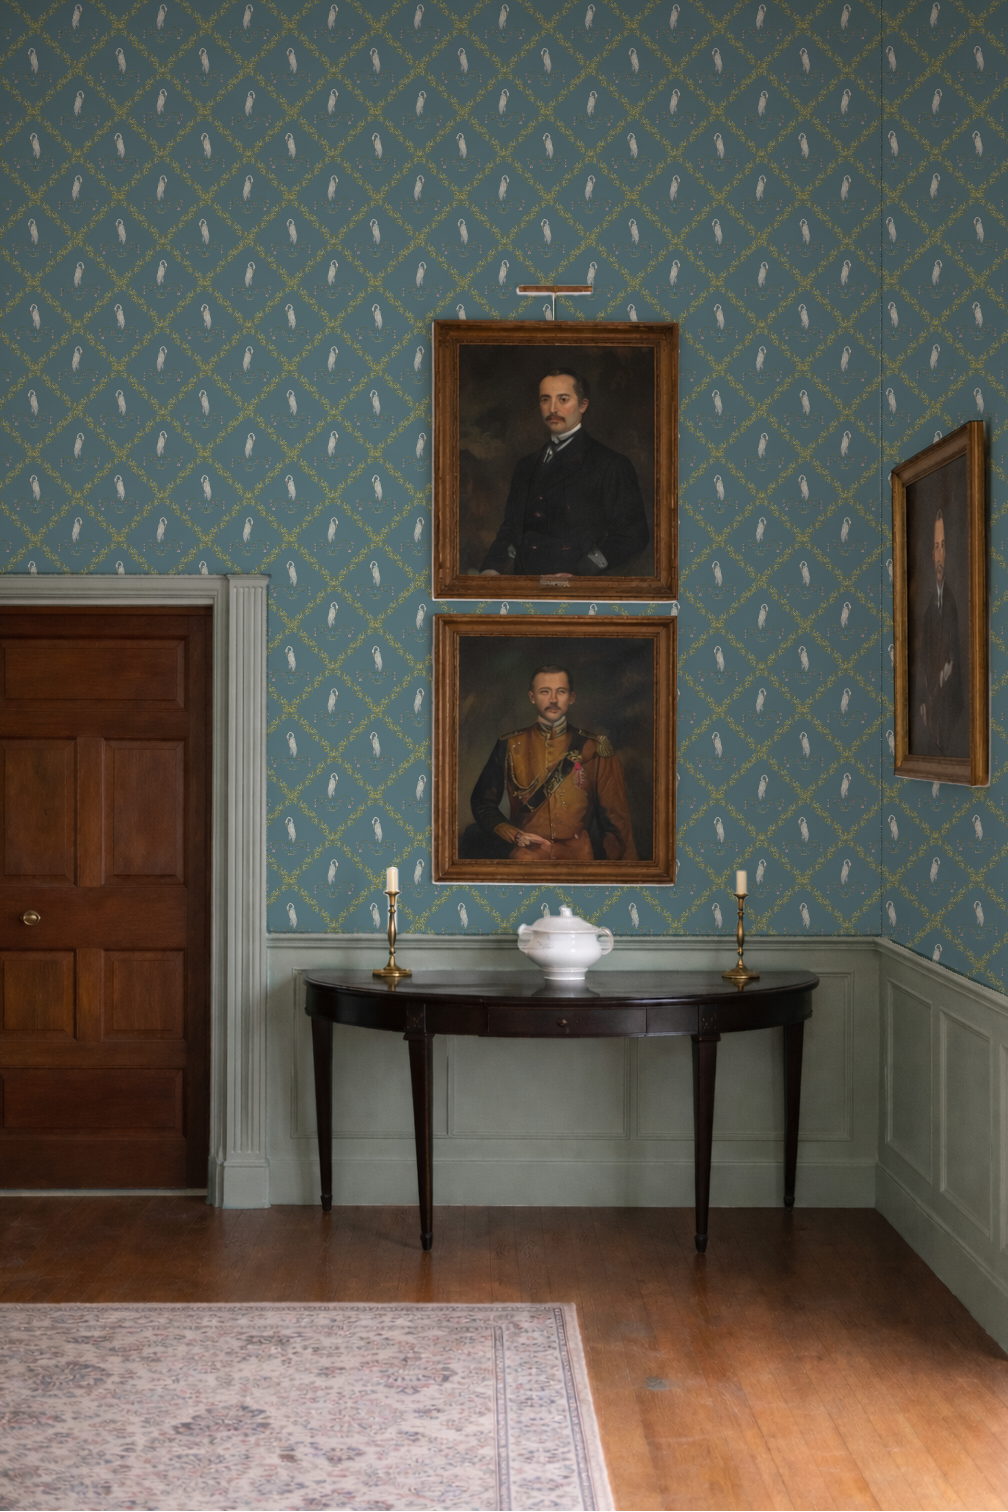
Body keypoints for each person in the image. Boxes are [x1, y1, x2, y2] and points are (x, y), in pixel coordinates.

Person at [478, 369, 650, 578]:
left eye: (563, 399)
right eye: (545, 399)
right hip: (525, 584)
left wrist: (581, 572)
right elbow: (511, 529)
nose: (553, 408)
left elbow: (633, 533)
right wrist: (492, 567)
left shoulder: (610, 463)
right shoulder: (525, 465)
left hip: (578, 588)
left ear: (583, 405)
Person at [468, 664, 637, 862]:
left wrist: (621, 875)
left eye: (561, 692)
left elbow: (617, 822)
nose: (553, 699)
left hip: (580, 859)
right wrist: (512, 834)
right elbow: (482, 802)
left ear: (571, 698)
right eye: (544, 692)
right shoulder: (510, 744)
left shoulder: (594, 748)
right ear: (532, 697)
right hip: (525, 858)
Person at [918, 507, 964, 753]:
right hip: (932, 708)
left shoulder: (952, 602)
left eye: (943, 545)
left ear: (947, 552)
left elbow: (954, 662)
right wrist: (925, 698)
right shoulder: (928, 609)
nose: (939, 553)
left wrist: (941, 681)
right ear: (931, 552)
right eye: (936, 546)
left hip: (948, 708)